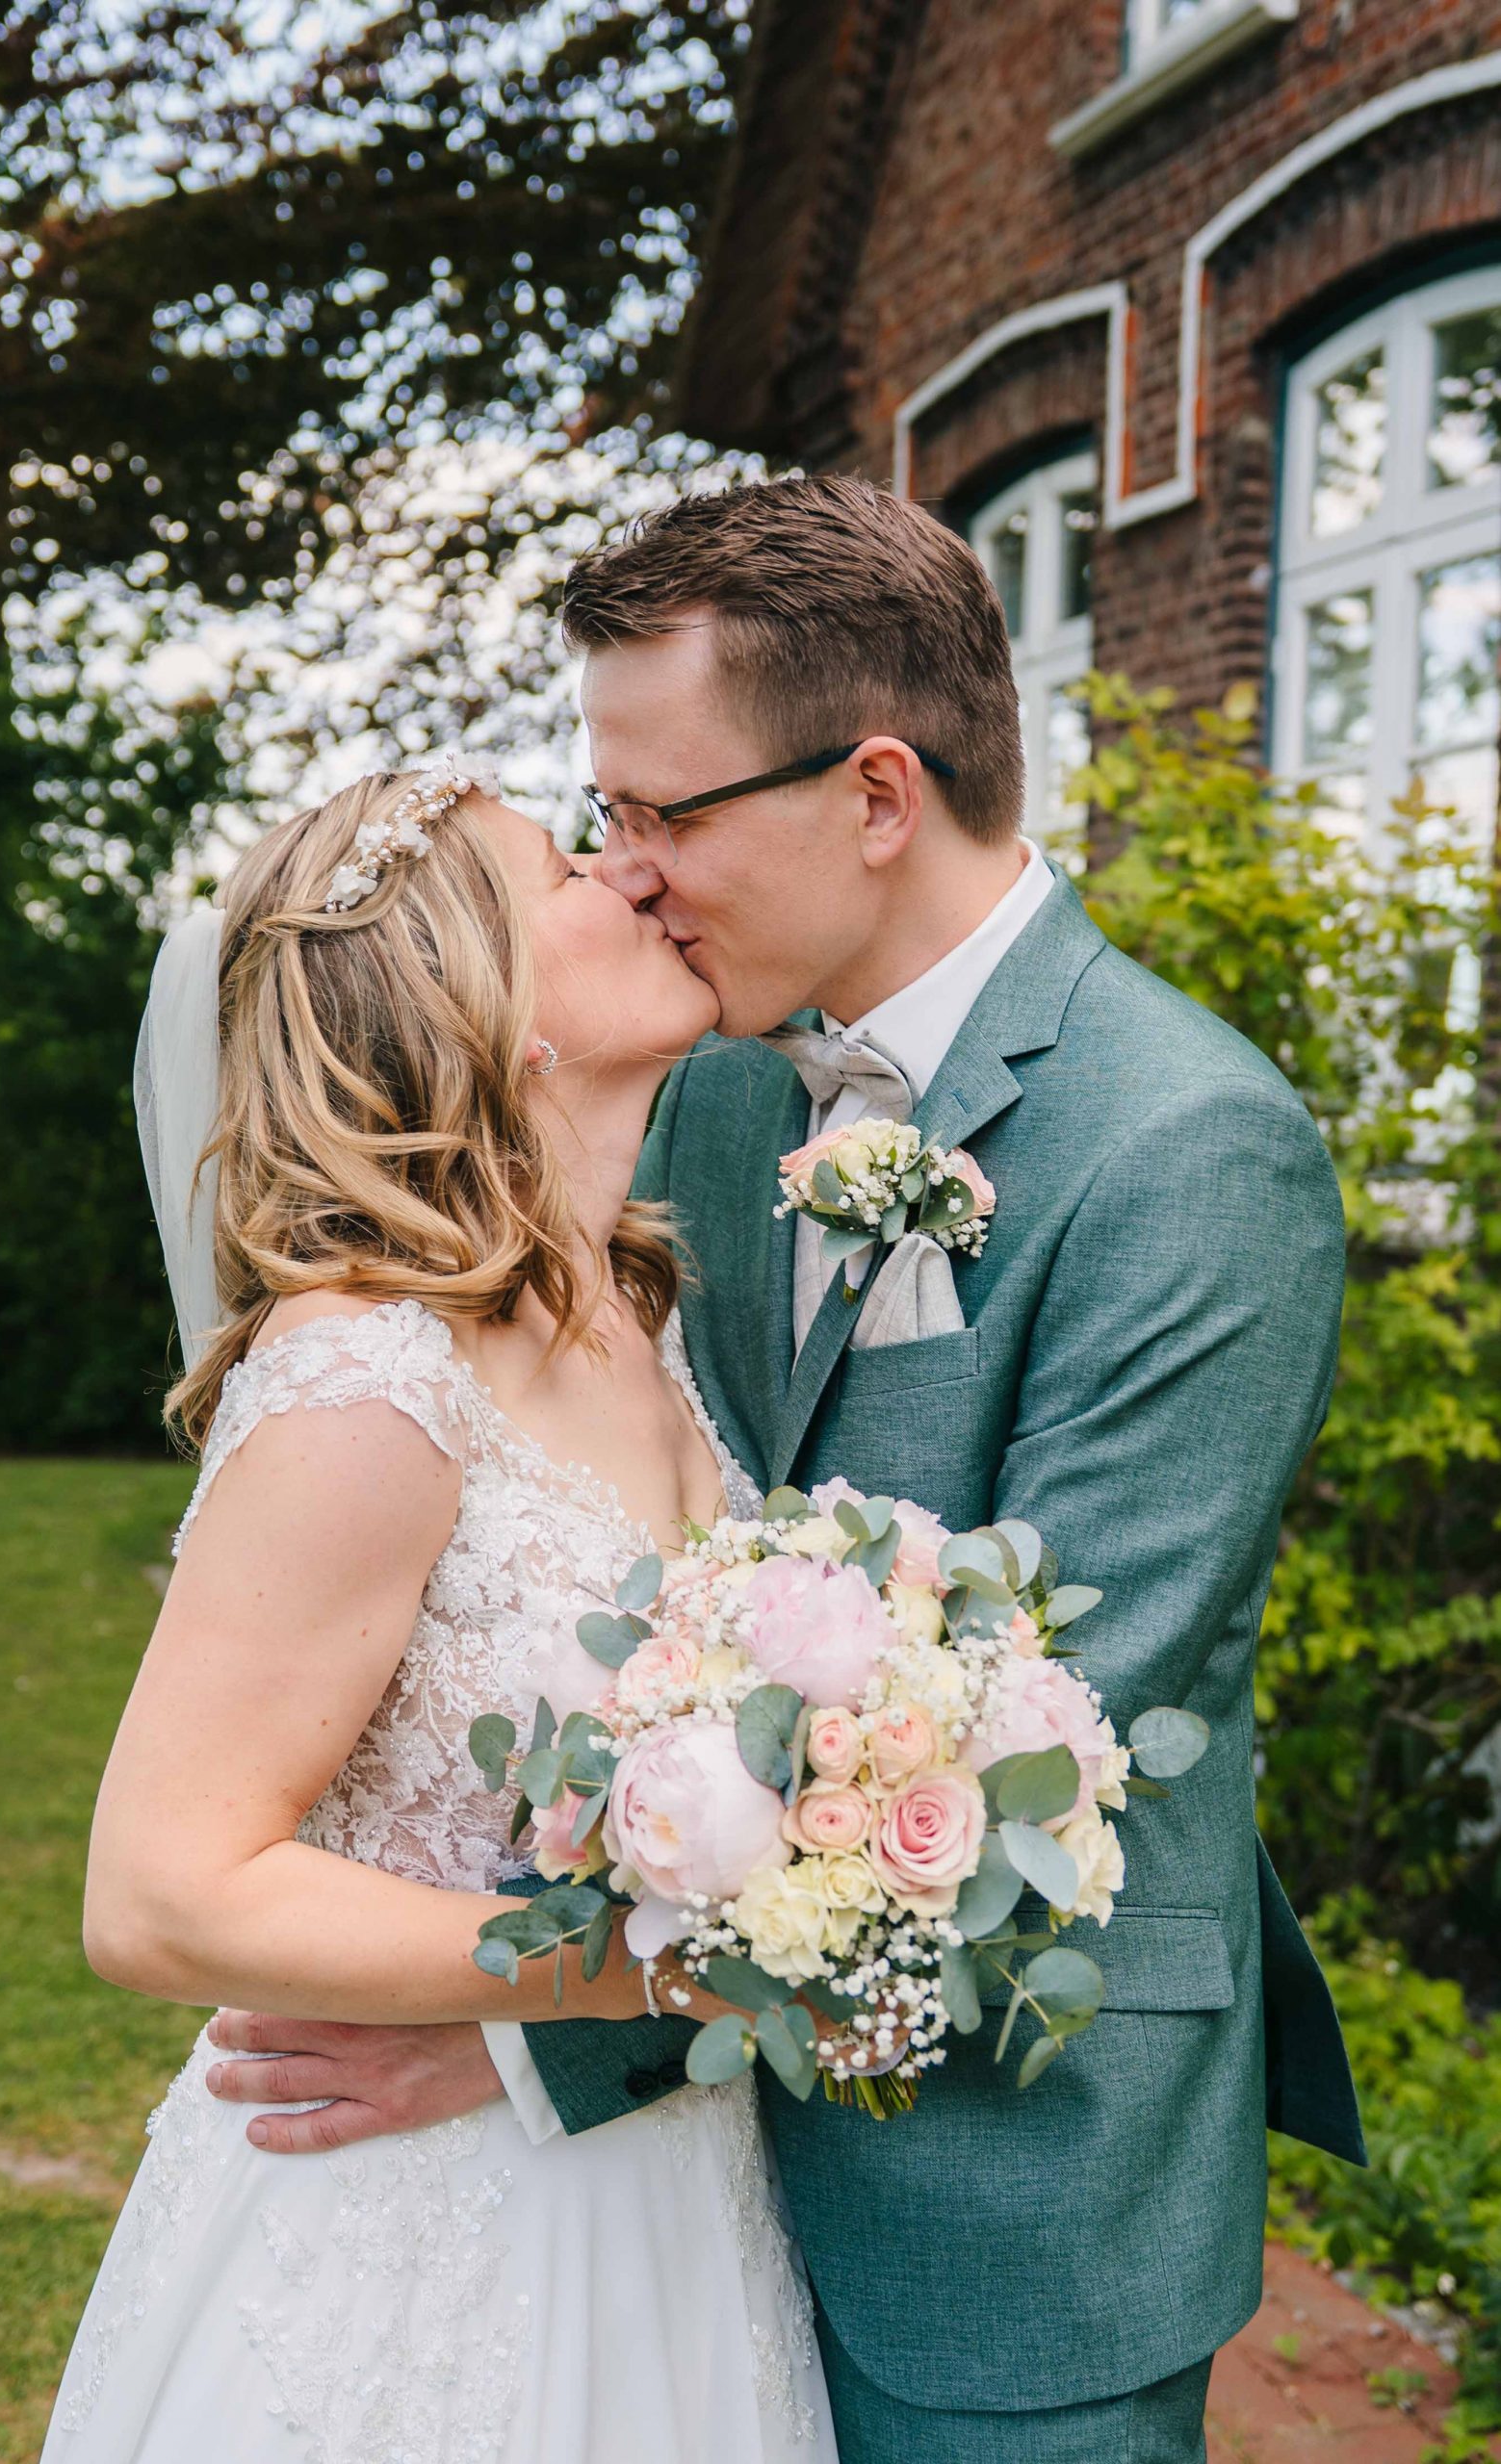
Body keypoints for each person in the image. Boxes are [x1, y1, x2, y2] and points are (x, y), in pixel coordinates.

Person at [218, 475, 1367, 2464]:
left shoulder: (1191, 1148)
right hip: (700, 2197)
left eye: (663, 812)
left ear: (875, 793)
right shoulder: (710, 1081)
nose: (626, 870)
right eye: (601, 816)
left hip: (1004, 2189)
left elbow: (1029, 1734)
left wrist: (532, 2036)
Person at [41, 758, 838, 2462]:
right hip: (409, 2238)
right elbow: (160, 1893)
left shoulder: (646, 1323)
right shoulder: (366, 1374)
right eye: (566, 866)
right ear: (485, 1010)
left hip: (677, 2217)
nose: (627, 875)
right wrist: (647, 1975)